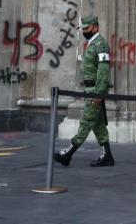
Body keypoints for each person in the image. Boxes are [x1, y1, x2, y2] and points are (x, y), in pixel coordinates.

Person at [54, 16, 114, 167]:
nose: (84, 31)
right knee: (98, 124)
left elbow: (103, 71)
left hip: (94, 90)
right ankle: (107, 156)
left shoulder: (100, 44)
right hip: (90, 89)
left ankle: (67, 153)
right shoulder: (91, 43)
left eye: (86, 29)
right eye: (83, 29)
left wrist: (99, 93)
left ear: (95, 27)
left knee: (86, 122)